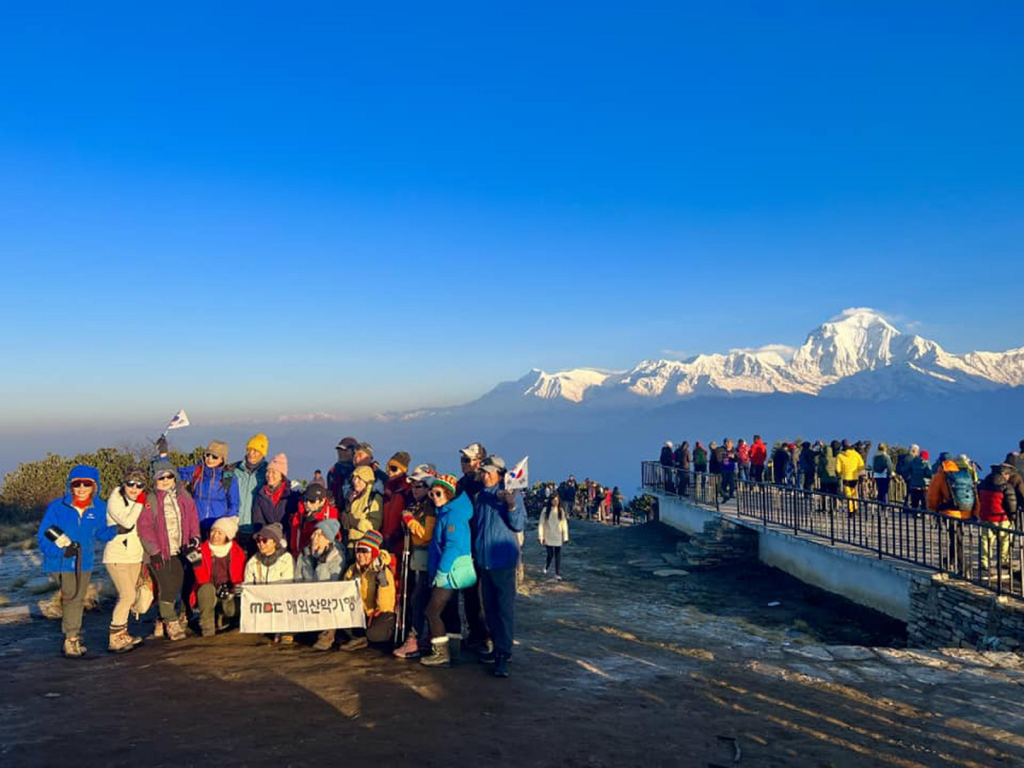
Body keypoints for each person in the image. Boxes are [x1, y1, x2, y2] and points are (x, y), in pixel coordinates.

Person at [37, 464, 118, 658]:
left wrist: (117, 529)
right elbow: (43, 535)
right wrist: (61, 552)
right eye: (77, 484)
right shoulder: (58, 506)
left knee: (77, 598)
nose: (81, 488)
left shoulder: (99, 507)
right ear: (70, 485)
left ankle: (71, 637)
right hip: (60, 561)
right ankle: (71, 639)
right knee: (72, 597)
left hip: (84, 561)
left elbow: (101, 533)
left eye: (86, 484)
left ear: (94, 486)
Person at [472, 456, 526, 678]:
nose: (485, 475)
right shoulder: (482, 496)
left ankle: (504, 653)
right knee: (490, 608)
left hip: (503, 560)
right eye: (483, 472)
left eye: (489, 472)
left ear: (499, 473)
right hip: (485, 560)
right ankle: (497, 647)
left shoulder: (511, 494)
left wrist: (511, 505)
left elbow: (519, 524)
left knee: (504, 609)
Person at [138, 460, 201, 642]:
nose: (165, 480)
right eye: (161, 477)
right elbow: (144, 527)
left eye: (169, 476)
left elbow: (193, 520)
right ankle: (171, 621)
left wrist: (195, 538)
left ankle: (161, 620)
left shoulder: (184, 496)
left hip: (181, 550)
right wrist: (154, 550)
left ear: (175, 477)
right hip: (160, 553)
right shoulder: (150, 499)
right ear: (155, 480)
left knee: (176, 586)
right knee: (166, 586)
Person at [421, 474, 475, 668]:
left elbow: (452, 546)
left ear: (449, 495)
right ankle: (454, 651)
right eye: (432, 494)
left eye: (438, 494)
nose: (434, 497)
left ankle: (441, 653)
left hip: (449, 572)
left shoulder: (453, 516)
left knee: (432, 611)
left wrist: (441, 572)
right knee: (450, 611)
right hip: (452, 572)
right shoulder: (448, 512)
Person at [393, 466, 439, 659]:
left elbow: (426, 535)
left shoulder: (429, 507)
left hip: (425, 557)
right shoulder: (417, 505)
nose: (415, 489)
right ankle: (421, 637)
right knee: (416, 598)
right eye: (413, 486)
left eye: (419, 486)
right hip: (416, 557)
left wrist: (410, 521)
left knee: (419, 598)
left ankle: (417, 639)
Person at [102, 467, 148, 653]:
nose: (134, 488)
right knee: (127, 595)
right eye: (131, 484)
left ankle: (123, 633)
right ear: (124, 484)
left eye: (139, 485)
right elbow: (127, 522)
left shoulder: (139, 500)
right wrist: (141, 502)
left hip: (135, 555)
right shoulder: (115, 499)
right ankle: (114, 638)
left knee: (131, 595)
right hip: (117, 554)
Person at [338, 529, 397, 651]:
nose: (360, 555)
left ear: (373, 553)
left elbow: (385, 606)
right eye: (358, 551)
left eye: (365, 551)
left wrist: (382, 584)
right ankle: (359, 638)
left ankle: (367, 637)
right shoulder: (352, 569)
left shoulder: (382, 571)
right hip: (360, 611)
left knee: (374, 634)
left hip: (380, 612)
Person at [295, 519, 347, 650]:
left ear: (328, 540)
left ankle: (327, 636)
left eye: (320, 535)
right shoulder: (304, 554)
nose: (314, 537)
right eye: (315, 533)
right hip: (306, 596)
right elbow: (298, 577)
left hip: (326, 598)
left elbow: (334, 584)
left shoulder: (337, 558)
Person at [191, 516, 246, 636]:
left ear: (227, 536)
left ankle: (227, 618)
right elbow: (201, 579)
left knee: (232, 609)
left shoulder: (237, 552)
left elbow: (239, 578)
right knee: (206, 589)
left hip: (228, 590)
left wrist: (231, 590)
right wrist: (196, 563)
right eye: (213, 531)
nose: (215, 535)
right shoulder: (201, 550)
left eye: (220, 533)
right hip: (209, 590)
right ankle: (207, 629)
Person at [243, 522, 295, 644]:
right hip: (261, 603)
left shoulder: (287, 559)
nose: (261, 544)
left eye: (265, 540)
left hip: (282, 602)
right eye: (258, 541)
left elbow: (288, 588)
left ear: (275, 542)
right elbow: (248, 587)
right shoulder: (253, 561)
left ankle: (286, 630)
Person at [927, 454, 979, 575]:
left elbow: (932, 496)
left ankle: (963, 567)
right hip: (966, 511)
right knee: (956, 537)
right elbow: (974, 493)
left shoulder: (941, 475)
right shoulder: (964, 474)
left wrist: (933, 509)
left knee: (956, 539)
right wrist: (975, 512)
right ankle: (949, 560)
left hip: (950, 513)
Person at [187, 440, 240, 537]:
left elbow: (234, 504)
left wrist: (223, 524)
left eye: (214, 456)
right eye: (207, 455)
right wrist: (163, 456)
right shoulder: (198, 471)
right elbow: (173, 473)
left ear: (222, 459)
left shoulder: (227, 476)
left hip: (216, 528)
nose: (209, 459)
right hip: (195, 526)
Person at [977, 464, 1016, 580]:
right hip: (1001, 518)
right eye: (1007, 474)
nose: (1008, 477)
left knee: (986, 541)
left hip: (985, 517)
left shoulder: (983, 484)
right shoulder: (1006, 486)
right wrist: (1012, 517)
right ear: (1003, 474)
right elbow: (1011, 503)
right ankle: (1003, 561)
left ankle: (984, 563)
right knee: (1005, 540)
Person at [232, 433, 268, 550]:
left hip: (256, 527)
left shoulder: (268, 472)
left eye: (256, 451)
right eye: (249, 449)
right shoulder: (235, 470)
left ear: (262, 453)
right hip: (235, 526)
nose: (251, 453)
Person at [341, 465, 384, 557]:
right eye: (354, 478)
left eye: (359, 479)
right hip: (349, 545)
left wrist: (355, 522)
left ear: (368, 481)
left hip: (365, 547)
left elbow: (375, 525)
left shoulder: (374, 498)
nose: (355, 481)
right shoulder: (351, 497)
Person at [289, 483, 340, 555]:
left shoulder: (330, 513)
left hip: (325, 554)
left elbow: (336, 539)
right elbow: (295, 542)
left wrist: (316, 522)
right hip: (304, 554)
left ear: (322, 501)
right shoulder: (299, 515)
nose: (307, 503)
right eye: (305, 499)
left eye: (312, 501)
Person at [252, 453, 295, 535]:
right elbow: (258, 519)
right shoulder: (261, 494)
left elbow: (292, 522)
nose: (269, 475)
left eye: (273, 472)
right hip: (266, 537)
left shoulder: (291, 496)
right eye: (268, 472)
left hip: (285, 537)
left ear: (281, 476)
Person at [381, 451, 412, 556]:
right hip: (385, 539)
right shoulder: (387, 488)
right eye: (388, 468)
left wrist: (396, 536)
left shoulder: (407, 488)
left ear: (403, 470)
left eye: (394, 468)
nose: (390, 472)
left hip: (399, 542)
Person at [538, 494, 569, 579]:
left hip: (558, 535)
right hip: (548, 535)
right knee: (550, 554)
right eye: (553, 500)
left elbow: (564, 524)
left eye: (557, 501)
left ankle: (557, 573)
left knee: (558, 555)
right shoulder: (545, 510)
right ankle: (546, 566)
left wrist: (565, 536)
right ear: (550, 501)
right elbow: (541, 523)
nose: (555, 502)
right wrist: (541, 536)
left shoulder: (560, 510)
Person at [328, 436, 358, 507]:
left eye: (344, 450)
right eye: (339, 450)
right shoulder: (333, 470)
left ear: (353, 451)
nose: (340, 452)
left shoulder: (359, 471)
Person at [902, 446, 932, 510]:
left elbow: (905, 470)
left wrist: (909, 478)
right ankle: (923, 514)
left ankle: (914, 514)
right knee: (924, 504)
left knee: (914, 504)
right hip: (923, 486)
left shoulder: (913, 462)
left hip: (913, 485)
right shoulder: (926, 464)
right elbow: (929, 474)